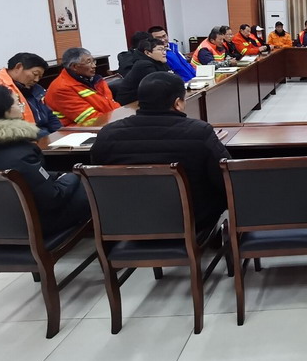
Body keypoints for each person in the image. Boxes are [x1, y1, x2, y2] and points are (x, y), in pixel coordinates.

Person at [91, 73, 231, 231]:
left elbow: (99, 178)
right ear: (177, 103)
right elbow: (225, 177)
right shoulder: (199, 132)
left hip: (126, 222)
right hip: (189, 222)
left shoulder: (107, 134)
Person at [0, 85, 90, 235]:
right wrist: (73, 176)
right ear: (5, 111)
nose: (22, 108)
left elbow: (31, 178)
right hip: (33, 225)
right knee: (93, 187)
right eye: (17, 103)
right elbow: (53, 198)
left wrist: (58, 176)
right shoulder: (20, 152)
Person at [0, 52, 61, 137]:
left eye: (40, 77)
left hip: (44, 133)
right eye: (35, 74)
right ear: (18, 67)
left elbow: (49, 115)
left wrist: (60, 133)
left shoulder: (33, 87)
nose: (36, 80)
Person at [45, 47, 120, 126]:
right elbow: (90, 119)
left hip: (107, 121)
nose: (94, 65)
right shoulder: (61, 88)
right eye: (89, 62)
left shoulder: (95, 79)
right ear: (74, 67)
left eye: (93, 61)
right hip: (78, 129)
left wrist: (122, 116)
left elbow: (111, 104)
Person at [113, 37, 171, 105]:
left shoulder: (160, 62)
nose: (164, 53)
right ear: (148, 53)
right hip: (129, 104)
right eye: (160, 50)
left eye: (164, 49)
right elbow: (159, 87)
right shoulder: (143, 65)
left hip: (146, 99)